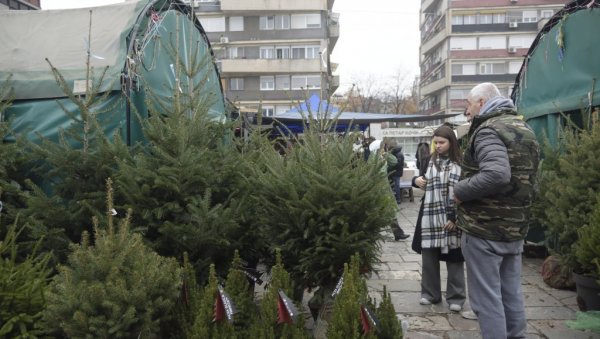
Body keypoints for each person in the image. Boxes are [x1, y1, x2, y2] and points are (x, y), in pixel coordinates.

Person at [454, 82, 540, 339]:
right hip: (514, 228)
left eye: (468, 105)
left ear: (481, 102)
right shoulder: (524, 128)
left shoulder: (489, 130)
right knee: (510, 293)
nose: (467, 112)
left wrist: (460, 191)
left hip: (485, 229)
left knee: (487, 300)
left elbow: (497, 174)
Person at [412, 126, 465, 312]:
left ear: (452, 142)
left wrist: (455, 218)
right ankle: (430, 294)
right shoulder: (428, 161)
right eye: (436, 142)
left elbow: (464, 191)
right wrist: (416, 181)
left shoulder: (462, 163)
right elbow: (421, 180)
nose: (438, 146)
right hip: (430, 218)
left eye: (442, 142)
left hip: (453, 219)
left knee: (455, 260)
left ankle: (456, 298)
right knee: (429, 260)